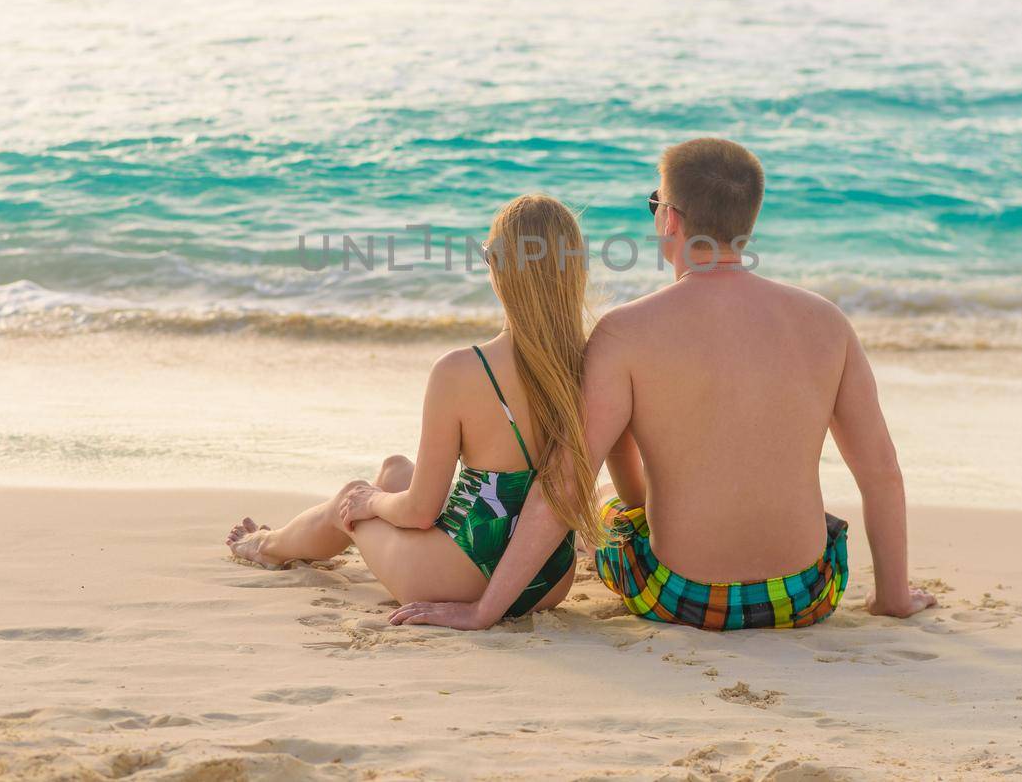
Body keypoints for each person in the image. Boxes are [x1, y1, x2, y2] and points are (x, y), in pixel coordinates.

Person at [390, 138, 937, 630]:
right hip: (804, 593)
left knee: (607, 506)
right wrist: (893, 596)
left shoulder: (626, 332)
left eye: (655, 204)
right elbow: (881, 472)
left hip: (680, 594)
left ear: (670, 219)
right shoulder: (826, 322)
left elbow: (563, 482)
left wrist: (486, 611)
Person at [225, 194, 603, 619]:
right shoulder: (594, 362)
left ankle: (266, 546)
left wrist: (370, 503)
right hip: (549, 578)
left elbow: (421, 511)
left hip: (460, 574)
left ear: (499, 268)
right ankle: (297, 536)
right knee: (393, 470)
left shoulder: (463, 369)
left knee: (351, 497)